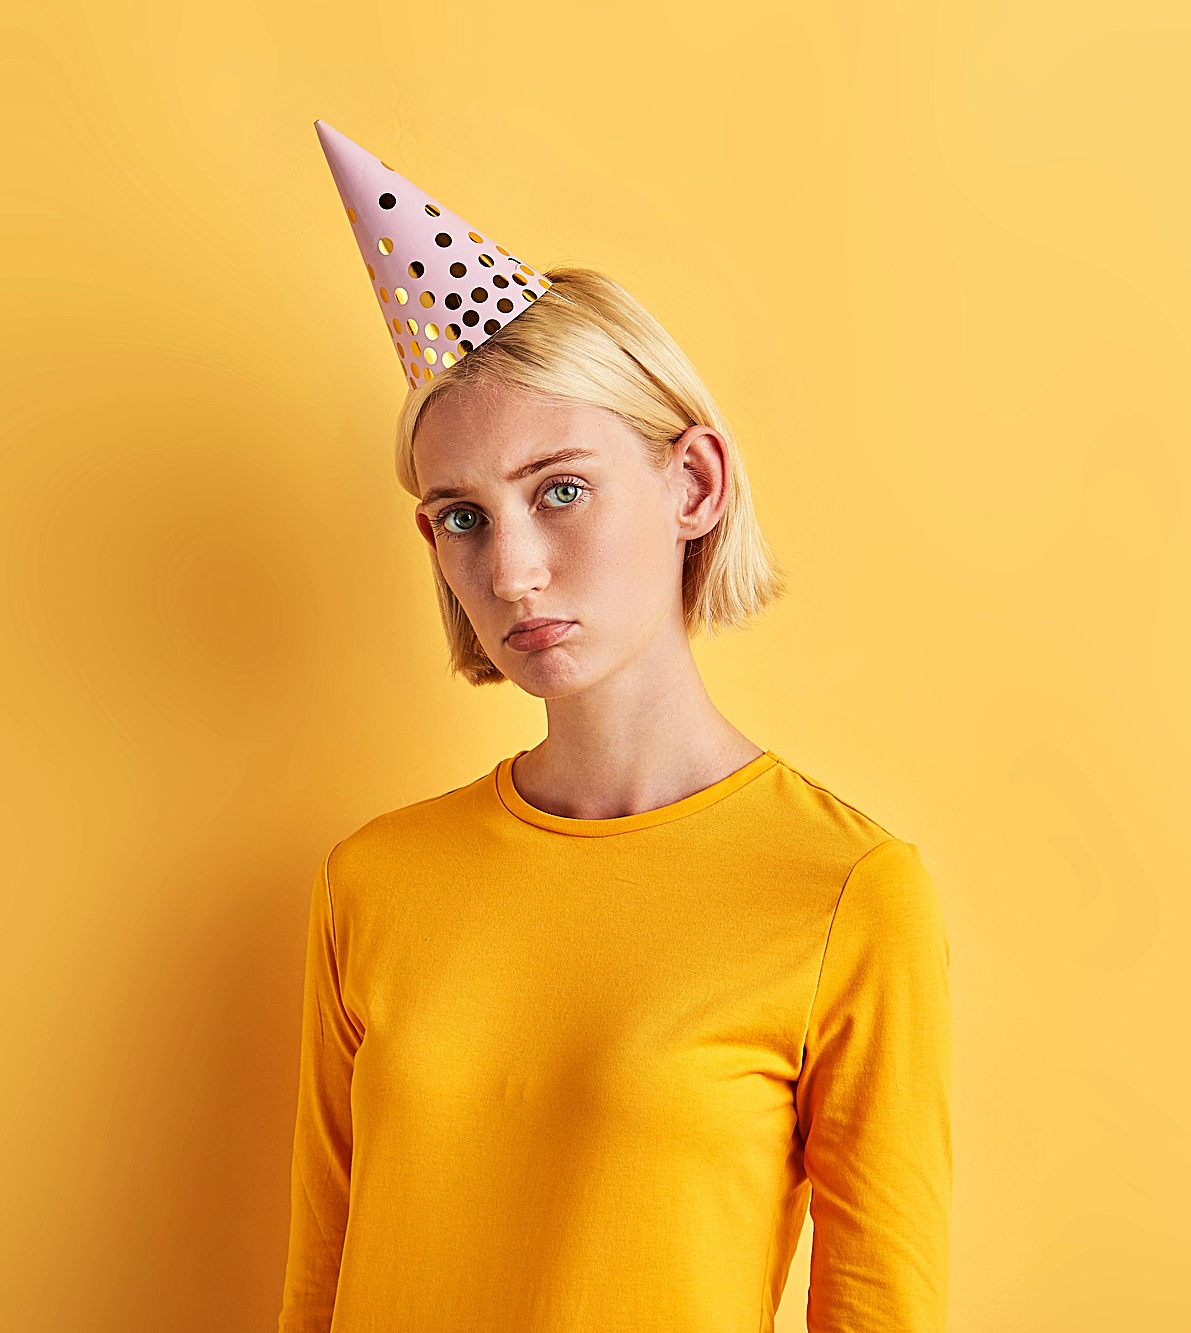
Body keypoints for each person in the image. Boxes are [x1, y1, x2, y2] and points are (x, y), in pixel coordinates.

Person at [280, 121, 953, 1333]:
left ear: (692, 484)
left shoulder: (848, 894)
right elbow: (319, 1290)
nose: (515, 570)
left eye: (561, 490)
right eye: (461, 516)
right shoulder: (371, 882)